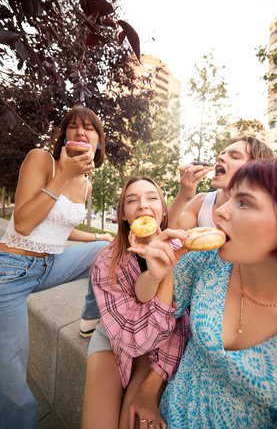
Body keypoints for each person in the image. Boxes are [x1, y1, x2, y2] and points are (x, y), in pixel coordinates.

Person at [130, 158, 277, 428]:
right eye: (229, 198)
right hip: (168, 413)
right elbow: (146, 330)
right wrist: (159, 274)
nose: (220, 211)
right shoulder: (208, 260)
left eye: (244, 202)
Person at [0, 105, 113, 429]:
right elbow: (22, 223)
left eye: (89, 128)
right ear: (63, 136)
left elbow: (61, 227)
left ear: (98, 143)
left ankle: (90, 318)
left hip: (48, 265)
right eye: (73, 127)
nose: (80, 131)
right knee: (11, 378)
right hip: (9, 272)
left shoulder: (87, 184)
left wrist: (96, 235)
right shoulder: (42, 160)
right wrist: (63, 174)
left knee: (106, 249)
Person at [81, 176, 190, 429]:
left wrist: (164, 270)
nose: (142, 205)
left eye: (152, 198)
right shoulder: (105, 262)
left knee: (131, 421)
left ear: (163, 211)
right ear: (123, 215)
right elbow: (132, 338)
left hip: (162, 340)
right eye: (132, 200)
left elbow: (181, 324)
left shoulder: (182, 250)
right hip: (115, 335)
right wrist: (155, 275)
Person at [168, 135, 274, 230]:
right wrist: (183, 194)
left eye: (234, 157)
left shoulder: (264, 210)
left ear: (255, 168)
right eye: (223, 154)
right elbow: (169, 233)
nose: (220, 157)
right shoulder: (201, 202)